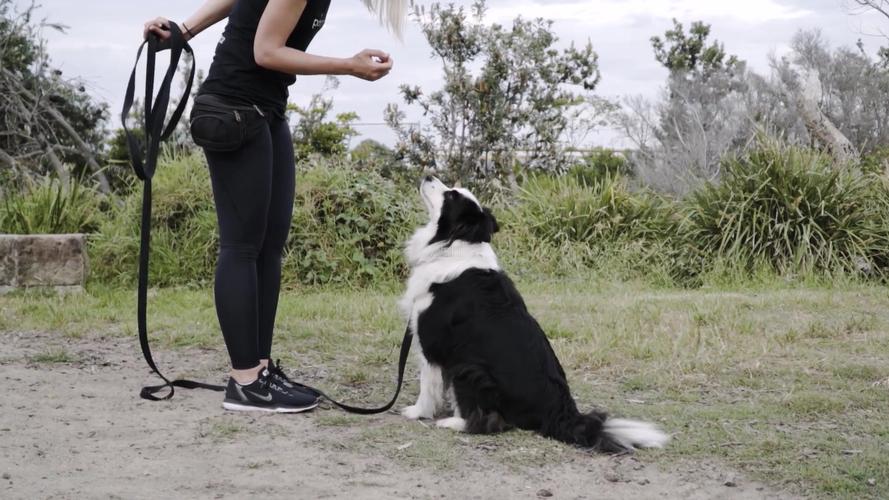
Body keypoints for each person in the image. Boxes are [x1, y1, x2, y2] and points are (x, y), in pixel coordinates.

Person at [143, 0, 406, 413]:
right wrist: (348, 65)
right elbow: (266, 51)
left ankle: (260, 371)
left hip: (266, 108)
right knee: (242, 246)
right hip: (233, 109)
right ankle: (245, 381)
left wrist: (185, 29)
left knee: (268, 246)